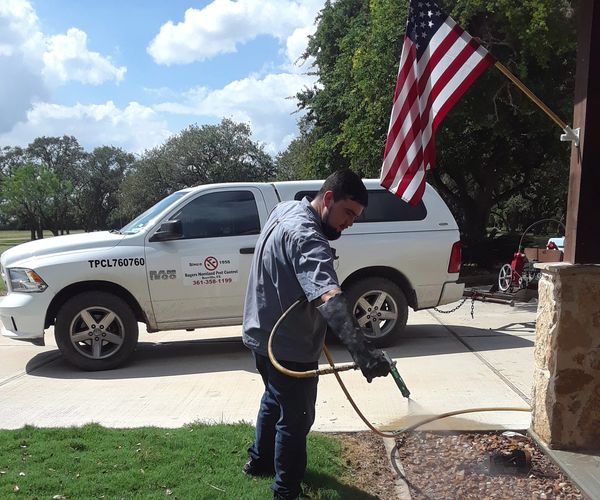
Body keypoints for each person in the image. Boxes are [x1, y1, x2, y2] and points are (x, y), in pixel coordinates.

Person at [242, 169, 391, 500]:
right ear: (328, 199)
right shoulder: (309, 237)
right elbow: (328, 296)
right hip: (288, 347)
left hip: (260, 334)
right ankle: (286, 491)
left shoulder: (286, 208)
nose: (349, 222)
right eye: (347, 212)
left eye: (355, 217)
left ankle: (260, 461)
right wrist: (363, 352)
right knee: (296, 419)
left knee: (274, 399)